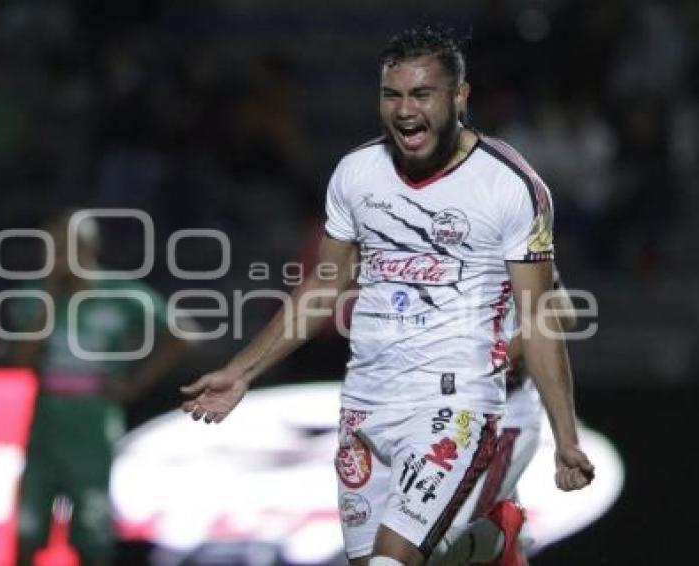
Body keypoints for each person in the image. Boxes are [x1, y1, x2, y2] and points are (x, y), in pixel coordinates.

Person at [181, 26, 594, 566]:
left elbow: (540, 316)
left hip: (456, 402)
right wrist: (241, 372)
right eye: (392, 95)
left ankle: (484, 539)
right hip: (366, 403)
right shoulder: (357, 174)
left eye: (421, 94)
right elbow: (324, 286)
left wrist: (565, 436)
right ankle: (489, 541)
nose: (404, 110)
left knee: (391, 561)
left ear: (458, 98)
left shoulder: (509, 185)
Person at [10, 209, 186, 566]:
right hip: (45, 430)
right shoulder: (36, 296)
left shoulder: (121, 293)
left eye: (64, 246)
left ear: (88, 248)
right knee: (27, 534)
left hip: (93, 430)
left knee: (93, 539)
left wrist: (138, 382)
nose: (56, 255)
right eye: (52, 247)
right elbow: (21, 362)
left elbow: (182, 333)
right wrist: (48, 298)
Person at [429, 273, 577, 566]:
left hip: (501, 418)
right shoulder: (411, 242)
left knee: (427, 546)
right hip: (436, 415)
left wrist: (492, 362)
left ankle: (496, 536)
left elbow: (563, 312)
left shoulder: (512, 237)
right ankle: (498, 537)